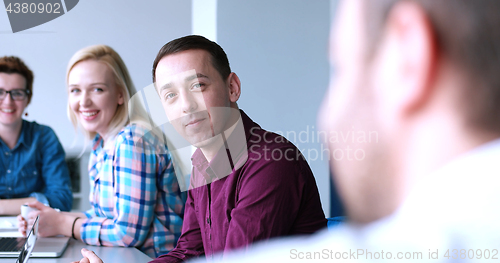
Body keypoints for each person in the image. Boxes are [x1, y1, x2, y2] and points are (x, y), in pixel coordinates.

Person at [18, 45, 185, 258]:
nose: (83, 101)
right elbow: (103, 216)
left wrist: (63, 224)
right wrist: (50, 219)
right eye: (75, 90)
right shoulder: (103, 143)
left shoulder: (132, 141)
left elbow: (127, 234)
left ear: (120, 95)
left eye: (97, 89)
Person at [0, 56, 72, 215]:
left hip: (35, 229)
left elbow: (62, 199)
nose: (8, 101)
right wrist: (35, 202)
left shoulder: (44, 137)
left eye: (17, 93)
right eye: (0, 92)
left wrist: (2, 207)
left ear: (28, 98)